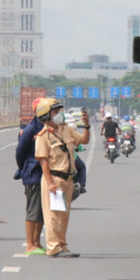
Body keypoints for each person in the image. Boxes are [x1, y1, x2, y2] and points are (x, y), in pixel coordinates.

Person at [34, 98, 90, 258]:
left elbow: (84, 140)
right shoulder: (42, 136)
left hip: (68, 180)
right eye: (55, 112)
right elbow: (43, 161)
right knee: (53, 215)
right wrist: (50, 183)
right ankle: (53, 248)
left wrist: (86, 126)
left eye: (59, 111)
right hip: (54, 180)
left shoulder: (67, 130)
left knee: (64, 215)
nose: (59, 114)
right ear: (46, 115)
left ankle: (62, 246)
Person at [15, 97, 46, 255]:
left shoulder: (46, 127)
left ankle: (37, 242)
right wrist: (25, 168)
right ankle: (29, 244)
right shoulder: (30, 130)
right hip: (33, 174)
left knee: (41, 211)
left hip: (44, 175)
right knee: (33, 210)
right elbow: (20, 152)